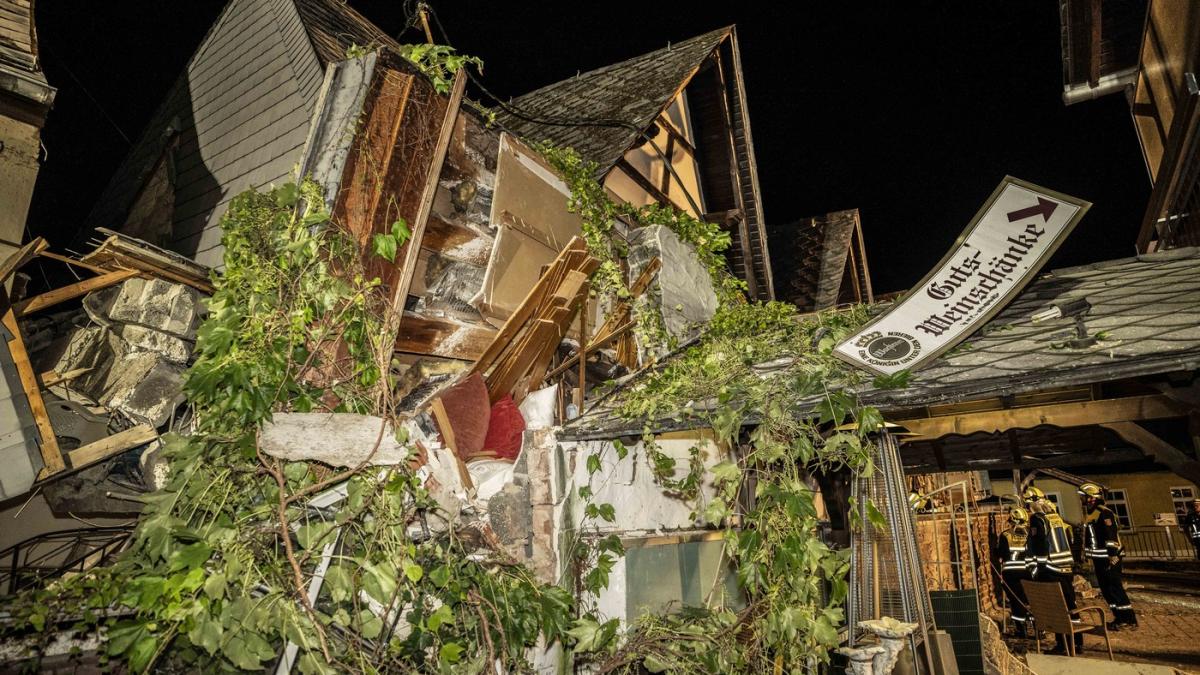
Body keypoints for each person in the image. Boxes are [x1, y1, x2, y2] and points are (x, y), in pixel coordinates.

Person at [1025, 486, 1082, 654]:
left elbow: (1040, 543)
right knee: (1070, 605)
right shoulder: (1056, 518)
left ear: (1032, 503)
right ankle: (1077, 643)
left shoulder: (1037, 519)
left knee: (1057, 608)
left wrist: (1038, 569)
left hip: (1051, 569)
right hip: (1066, 568)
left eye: (1027, 505)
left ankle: (1063, 645)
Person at [1078, 483, 1137, 630]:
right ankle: (1118, 618)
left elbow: (1111, 536)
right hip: (1099, 558)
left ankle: (1129, 620)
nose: (1082, 499)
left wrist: (1112, 556)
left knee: (1115, 588)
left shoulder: (1104, 513)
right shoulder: (1091, 513)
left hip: (1109, 558)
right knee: (1106, 590)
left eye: (1083, 496)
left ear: (1091, 497)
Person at [996, 507, 1032, 636]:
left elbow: (1001, 554)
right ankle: (1039, 629)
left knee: (1015, 600)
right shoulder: (1030, 534)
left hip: (1010, 573)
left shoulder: (1005, 535)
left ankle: (1021, 630)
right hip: (1028, 572)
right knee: (1031, 600)